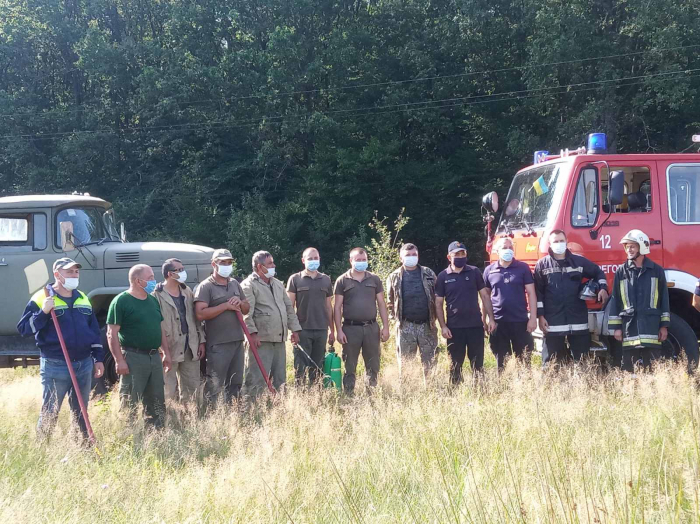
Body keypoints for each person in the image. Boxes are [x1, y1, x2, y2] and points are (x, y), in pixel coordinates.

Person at [17, 257, 104, 440]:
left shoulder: (83, 298)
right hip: (56, 364)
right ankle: (43, 449)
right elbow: (24, 329)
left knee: (81, 409)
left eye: (76, 271)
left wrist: (98, 358)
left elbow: (94, 332)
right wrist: (44, 312)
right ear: (57, 274)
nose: (74, 275)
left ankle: (82, 445)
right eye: (69, 272)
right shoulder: (41, 298)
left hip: (84, 363)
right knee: (51, 409)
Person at [107, 264, 172, 428]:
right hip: (133, 357)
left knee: (156, 400)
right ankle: (128, 436)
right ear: (138, 281)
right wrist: (119, 360)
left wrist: (166, 353)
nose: (154, 281)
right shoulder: (121, 301)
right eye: (150, 278)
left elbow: (160, 328)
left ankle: (156, 435)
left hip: (154, 357)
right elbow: (111, 333)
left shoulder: (152, 300)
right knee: (130, 400)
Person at [534, 230, 608, 366]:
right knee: (551, 363)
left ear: (566, 241)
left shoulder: (579, 261)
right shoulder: (542, 265)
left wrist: (602, 288)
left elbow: (598, 272)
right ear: (550, 244)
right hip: (553, 321)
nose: (559, 244)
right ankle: (552, 385)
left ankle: (580, 385)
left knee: (582, 362)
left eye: (561, 241)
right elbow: (538, 293)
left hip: (577, 319)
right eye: (555, 241)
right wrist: (541, 316)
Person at [608, 230, 670, 372]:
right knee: (630, 370)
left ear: (642, 247)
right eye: (627, 247)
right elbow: (616, 299)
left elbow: (664, 300)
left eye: (632, 246)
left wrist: (664, 326)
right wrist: (617, 328)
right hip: (630, 329)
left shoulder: (657, 271)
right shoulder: (621, 272)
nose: (628, 250)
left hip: (651, 328)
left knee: (653, 369)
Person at [241, 251, 302, 397]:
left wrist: (295, 329)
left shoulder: (277, 284)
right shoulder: (248, 285)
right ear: (259, 267)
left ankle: (277, 408)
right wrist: (253, 335)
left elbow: (288, 308)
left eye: (273, 263)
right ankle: (251, 407)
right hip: (261, 341)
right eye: (270, 263)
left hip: (279, 338)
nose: (274, 266)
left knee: (280, 378)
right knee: (256, 378)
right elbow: (246, 313)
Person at [435, 241, 496, 384]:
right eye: (457, 254)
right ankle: (455, 393)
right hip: (454, 328)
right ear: (449, 257)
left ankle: (480, 390)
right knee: (455, 365)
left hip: (475, 326)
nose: (460, 256)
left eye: (463, 253)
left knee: (478, 364)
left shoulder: (474, 272)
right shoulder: (443, 276)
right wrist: (443, 326)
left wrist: (491, 319)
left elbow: (485, 296)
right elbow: (438, 303)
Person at [194, 249, 250, 403]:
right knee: (215, 383)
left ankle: (233, 413)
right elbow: (200, 314)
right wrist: (225, 306)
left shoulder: (234, 284)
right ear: (214, 264)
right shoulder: (206, 286)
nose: (227, 265)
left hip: (237, 341)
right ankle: (213, 415)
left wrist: (240, 303)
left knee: (236, 381)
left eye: (229, 262)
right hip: (218, 344)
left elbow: (246, 308)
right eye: (223, 262)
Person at [334, 248, 390, 393]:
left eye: (363, 259)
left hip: (371, 327)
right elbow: (337, 307)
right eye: (357, 260)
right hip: (350, 329)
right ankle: (349, 393)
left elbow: (381, 304)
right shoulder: (342, 280)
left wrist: (385, 327)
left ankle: (371, 393)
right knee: (349, 364)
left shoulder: (374, 279)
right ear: (351, 261)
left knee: (373, 364)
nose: (361, 262)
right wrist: (338, 330)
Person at [153, 258, 206, 404]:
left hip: (190, 346)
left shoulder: (186, 291)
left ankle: (191, 419)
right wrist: (164, 351)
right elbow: (157, 325)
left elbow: (196, 318)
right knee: (168, 390)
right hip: (169, 347)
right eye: (180, 270)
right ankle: (170, 421)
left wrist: (201, 340)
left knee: (192, 389)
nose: (184, 272)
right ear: (170, 274)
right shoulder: (156, 295)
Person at [483, 238, 537, 370]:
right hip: (498, 323)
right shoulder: (489, 270)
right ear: (497, 251)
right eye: (504, 247)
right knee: (501, 362)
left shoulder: (523, 268)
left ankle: (523, 386)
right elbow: (485, 297)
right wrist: (485, 319)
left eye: (510, 248)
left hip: (520, 322)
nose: (508, 250)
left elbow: (531, 293)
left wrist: (533, 318)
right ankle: (503, 386)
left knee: (524, 362)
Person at [385, 243, 439, 378]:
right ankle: (408, 392)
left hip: (427, 325)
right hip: (406, 326)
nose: (411, 257)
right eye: (407, 255)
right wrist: (395, 321)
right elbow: (389, 301)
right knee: (406, 364)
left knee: (430, 363)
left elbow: (438, 297)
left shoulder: (429, 273)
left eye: (414, 254)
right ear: (400, 258)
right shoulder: (394, 276)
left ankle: (431, 391)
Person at [286, 247, 335, 385]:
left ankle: (315, 395)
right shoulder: (295, 279)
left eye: (316, 258)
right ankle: (300, 396)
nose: (313, 261)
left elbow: (328, 307)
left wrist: (332, 330)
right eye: (310, 258)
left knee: (318, 366)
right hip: (302, 330)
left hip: (321, 329)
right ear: (303, 260)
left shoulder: (325, 279)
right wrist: (293, 329)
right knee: (300, 366)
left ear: (319, 259)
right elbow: (289, 307)